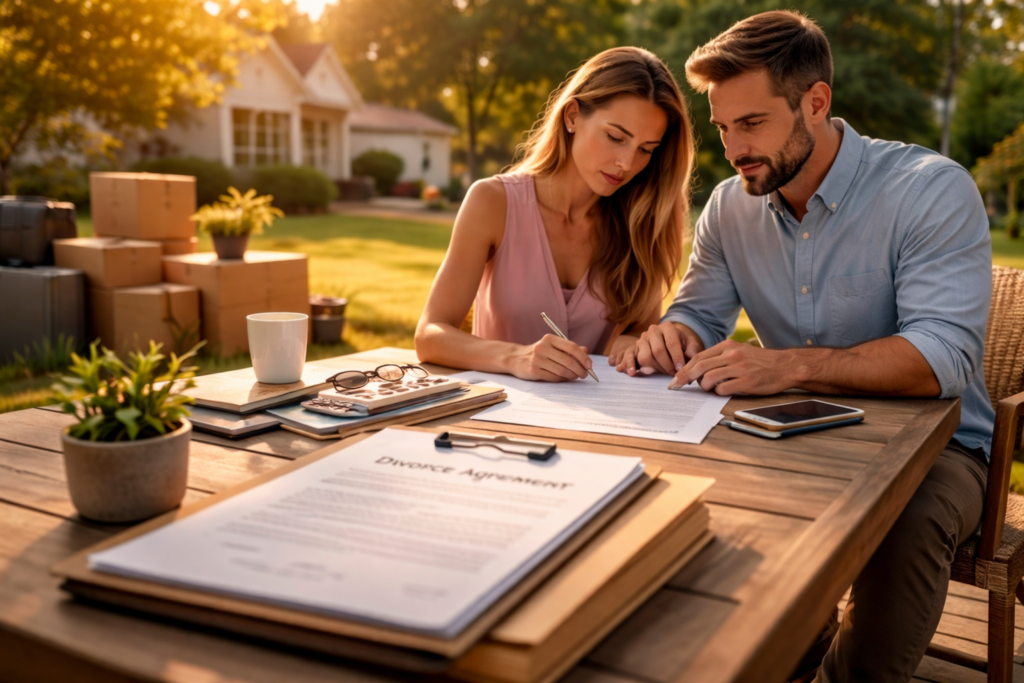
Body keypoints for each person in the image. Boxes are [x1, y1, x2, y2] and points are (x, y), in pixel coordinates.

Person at [614, 11, 994, 683]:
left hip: (943, 448)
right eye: (723, 127)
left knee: (905, 526)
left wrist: (787, 364)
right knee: (690, 498)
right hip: (792, 431)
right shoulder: (730, 207)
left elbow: (943, 358)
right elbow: (698, 312)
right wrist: (675, 333)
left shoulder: (929, 189)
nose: (733, 148)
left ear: (815, 102)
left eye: (752, 123)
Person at [415, 47, 694, 382]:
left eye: (646, 150)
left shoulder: (644, 221)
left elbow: (638, 333)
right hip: (497, 419)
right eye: (616, 137)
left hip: (602, 423)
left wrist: (632, 342)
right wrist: (515, 356)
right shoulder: (492, 202)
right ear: (573, 116)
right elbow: (430, 335)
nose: (627, 163)